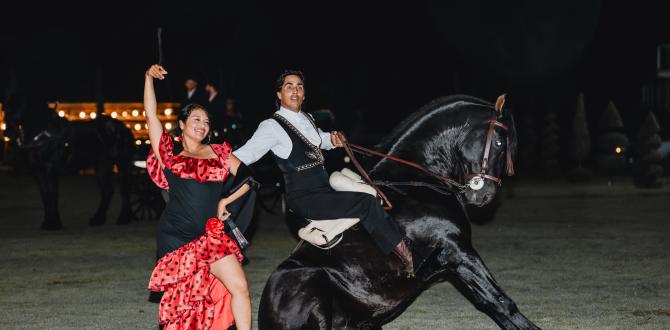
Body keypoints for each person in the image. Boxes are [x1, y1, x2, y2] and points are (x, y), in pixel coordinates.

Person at [233, 69, 414, 275]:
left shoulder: (307, 118)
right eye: (289, 86)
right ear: (279, 94)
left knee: (371, 192)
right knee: (366, 202)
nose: (295, 90)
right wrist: (210, 156)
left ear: (304, 94)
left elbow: (319, 139)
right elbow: (246, 154)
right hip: (304, 197)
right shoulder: (271, 127)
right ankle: (404, 257)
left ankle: (379, 255)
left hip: (324, 189)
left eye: (299, 86)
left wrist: (334, 139)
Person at [144, 64, 254, 330]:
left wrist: (224, 201)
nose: (202, 125)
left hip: (209, 238)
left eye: (206, 122)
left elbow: (249, 178)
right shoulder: (170, 156)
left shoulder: (219, 153)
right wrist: (148, 78)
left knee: (240, 287)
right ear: (181, 125)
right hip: (176, 239)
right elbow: (151, 116)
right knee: (185, 307)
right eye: (196, 119)